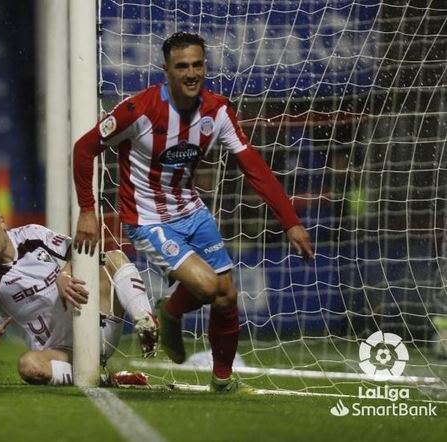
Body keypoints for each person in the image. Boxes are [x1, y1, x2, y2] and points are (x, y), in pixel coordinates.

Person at [72, 32, 313, 393]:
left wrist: (291, 222)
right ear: (166, 70)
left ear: (205, 66)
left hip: (193, 211)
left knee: (227, 295)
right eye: (181, 66)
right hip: (148, 219)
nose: (191, 73)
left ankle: (221, 380)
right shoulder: (138, 110)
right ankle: (169, 311)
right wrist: (88, 210)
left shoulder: (217, 111)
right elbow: (83, 148)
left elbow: (254, 167)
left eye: (197, 64)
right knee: (206, 286)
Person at [0, 201, 158, 386]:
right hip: (60, 352)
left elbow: (80, 250)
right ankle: (106, 379)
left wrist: (64, 273)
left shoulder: (31, 234)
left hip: (94, 324)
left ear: (1, 222)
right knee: (28, 366)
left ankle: (145, 320)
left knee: (113, 258)